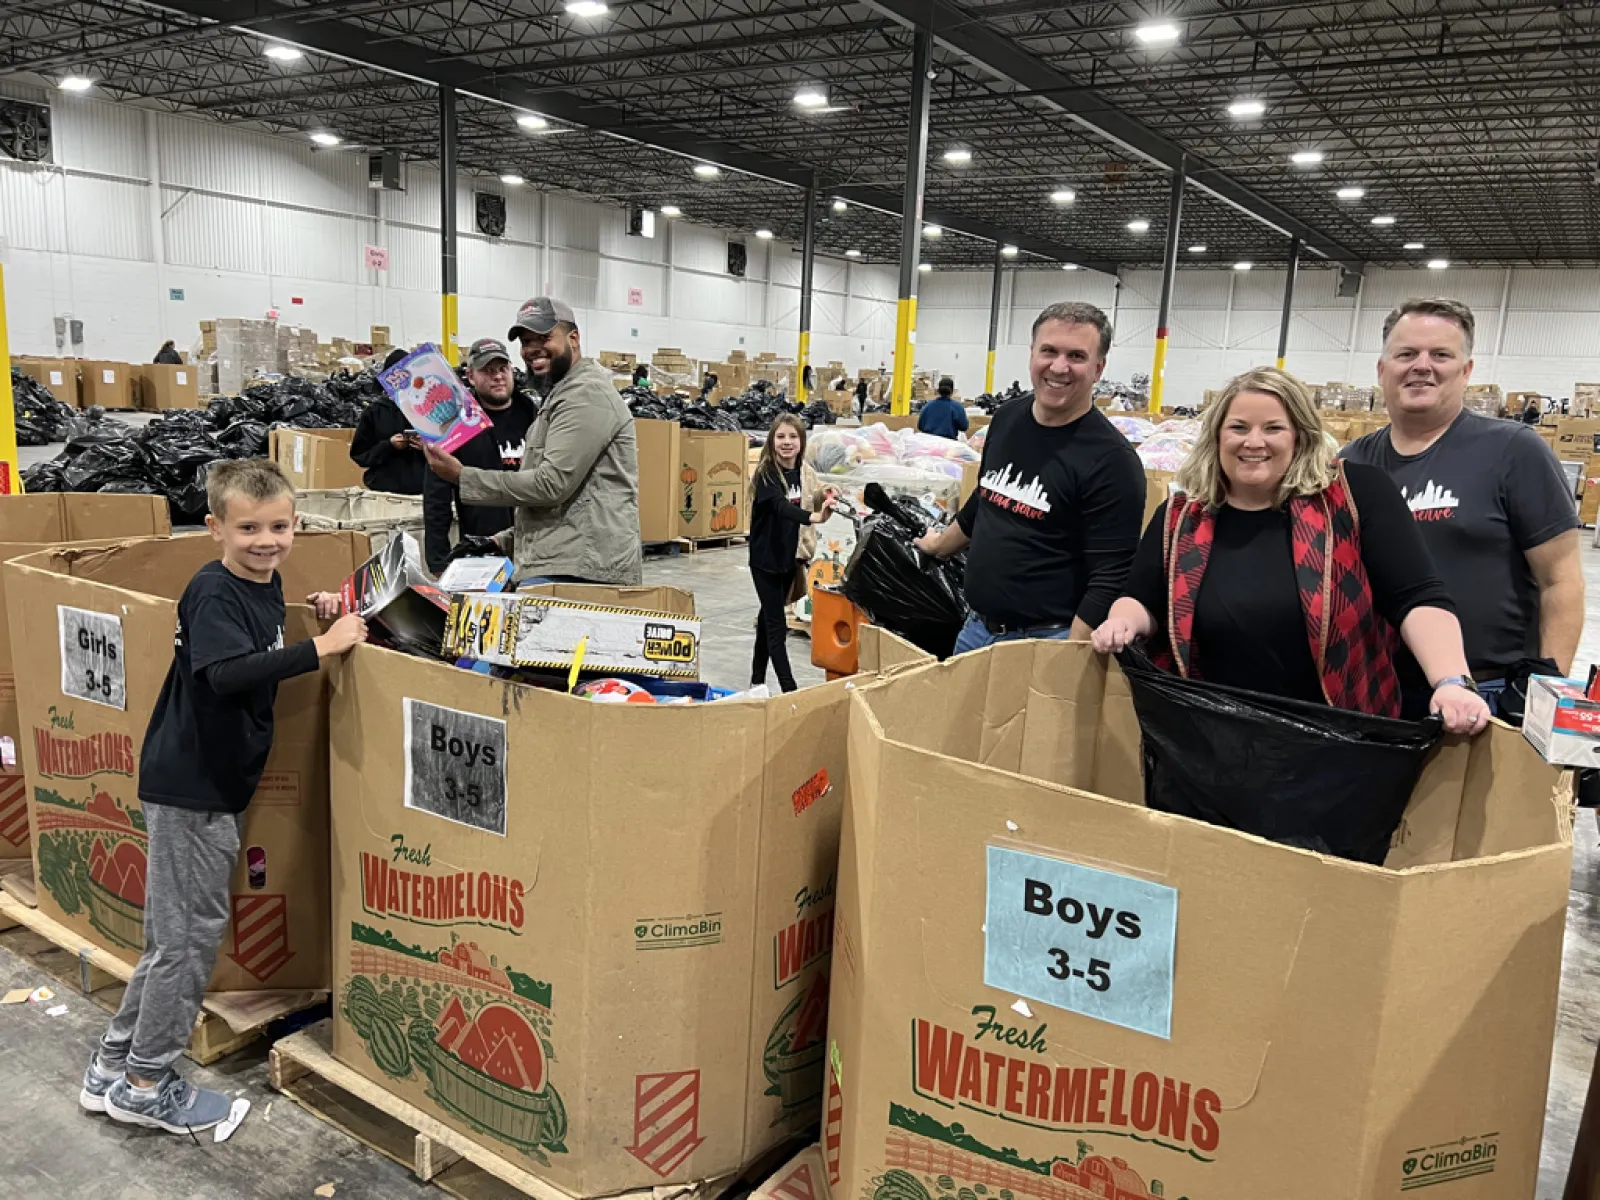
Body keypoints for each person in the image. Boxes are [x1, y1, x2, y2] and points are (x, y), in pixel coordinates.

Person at [78, 459, 366, 1133]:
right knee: (186, 944)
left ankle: (111, 1066)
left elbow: (255, 641)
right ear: (214, 528)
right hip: (193, 788)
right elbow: (224, 673)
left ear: (295, 525)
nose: (266, 541)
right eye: (248, 529)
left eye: (279, 527)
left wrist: (316, 615)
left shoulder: (261, 583)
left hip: (208, 782)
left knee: (169, 940)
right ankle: (145, 1084)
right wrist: (321, 648)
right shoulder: (212, 590)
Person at [1092, 367, 1489, 734]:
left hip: (1339, 739)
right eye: (1238, 427)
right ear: (1216, 436)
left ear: (1300, 435)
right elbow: (1141, 598)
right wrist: (1123, 621)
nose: (1254, 442)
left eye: (1273, 428)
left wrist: (1451, 681)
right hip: (1212, 739)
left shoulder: (1355, 496)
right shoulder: (1181, 516)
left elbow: (1417, 598)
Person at [1342, 298, 1584, 710]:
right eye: (1406, 354)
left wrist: (1543, 688)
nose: (1422, 366)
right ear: (1382, 370)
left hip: (1489, 693)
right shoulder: (1351, 463)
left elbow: (1560, 580)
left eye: (1440, 355)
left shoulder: (1513, 451)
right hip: (1378, 690)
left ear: (1466, 371)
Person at [914, 301, 1146, 654]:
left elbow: (1110, 576)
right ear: (1032, 354)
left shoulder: (1112, 461)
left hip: (1046, 641)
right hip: (975, 630)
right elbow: (986, 498)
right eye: (1049, 351)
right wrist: (939, 546)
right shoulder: (1007, 418)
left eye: (1076, 356)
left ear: (1098, 368)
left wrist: (1069, 658)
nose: (1059, 367)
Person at [423, 297, 642, 586]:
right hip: (559, 562)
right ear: (471, 376)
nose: (532, 349)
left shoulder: (585, 395)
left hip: (580, 572)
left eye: (544, 337)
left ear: (574, 338)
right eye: (526, 342)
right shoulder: (559, 397)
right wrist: (502, 541)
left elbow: (551, 484)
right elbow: (567, 506)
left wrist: (462, 477)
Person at [422, 338, 537, 575]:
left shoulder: (534, 416)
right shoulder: (455, 425)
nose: (498, 376)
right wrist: (438, 561)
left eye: (503, 368)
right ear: (471, 376)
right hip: (483, 551)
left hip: (534, 546)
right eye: (488, 370)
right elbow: (436, 498)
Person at [749, 414, 834, 693]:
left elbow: (813, 493)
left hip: (790, 558)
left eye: (793, 436)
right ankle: (790, 691)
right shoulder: (767, 474)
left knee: (767, 619)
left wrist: (827, 494)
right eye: (781, 436)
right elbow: (781, 507)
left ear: (801, 441)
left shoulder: (803, 471)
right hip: (765, 560)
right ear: (772, 440)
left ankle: (756, 681)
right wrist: (814, 517)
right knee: (777, 629)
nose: (787, 442)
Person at [350, 347, 425, 495]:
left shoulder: (428, 409)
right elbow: (360, 455)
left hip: (423, 492)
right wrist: (389, 445)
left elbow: (451, 450)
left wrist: (427, 447)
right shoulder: (375, 412)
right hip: (384, 493)